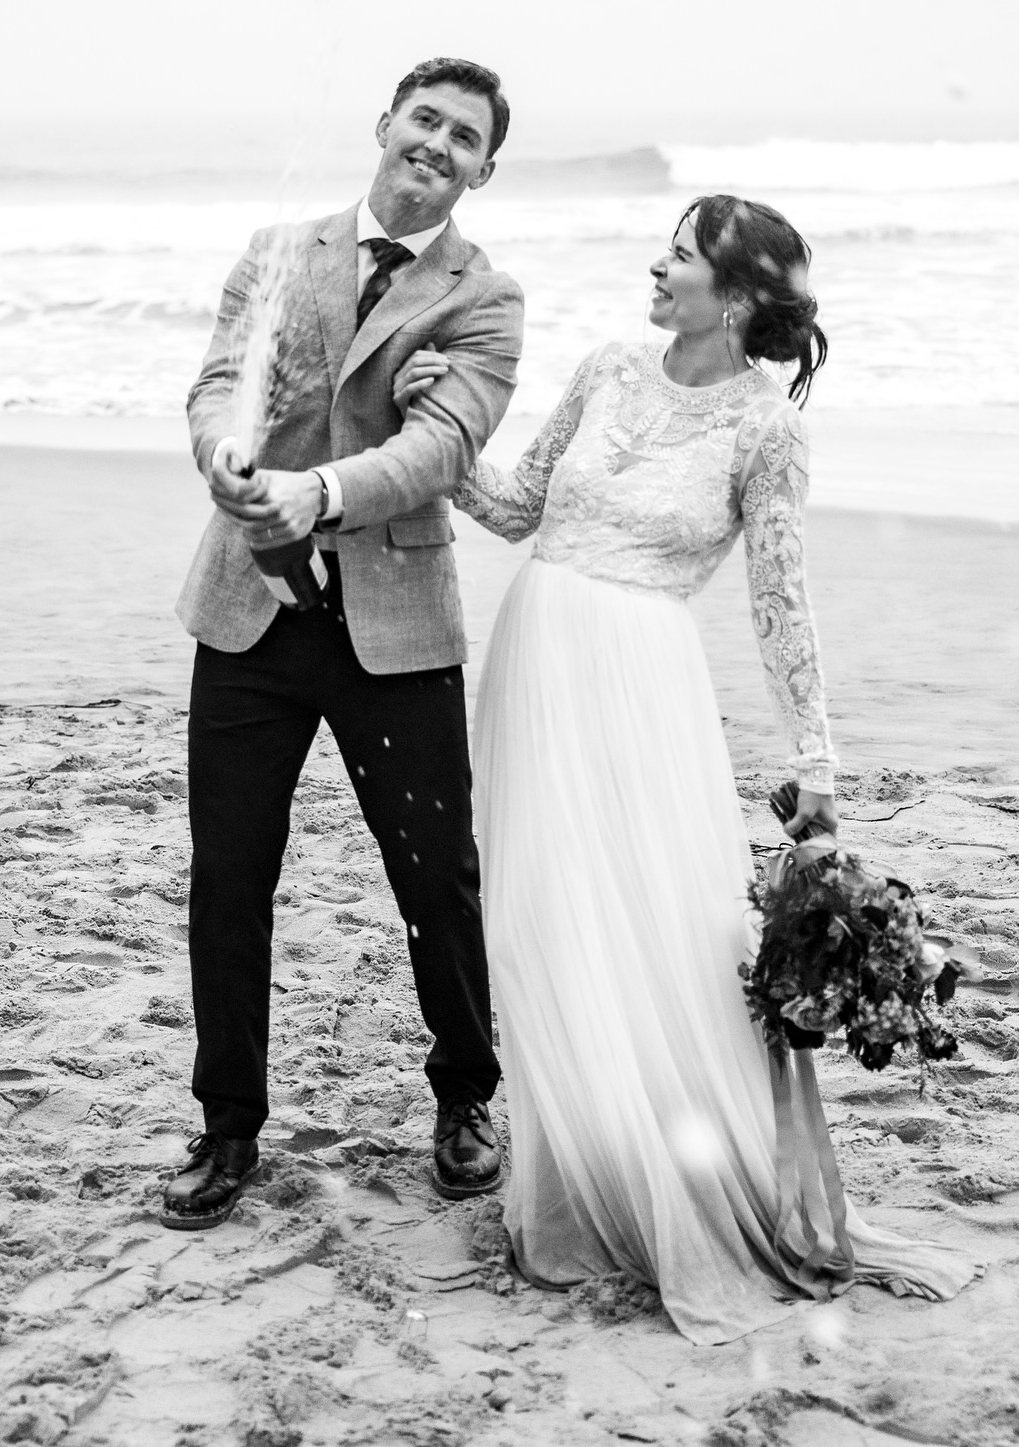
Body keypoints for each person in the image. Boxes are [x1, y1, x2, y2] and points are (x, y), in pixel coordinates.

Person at [394, 194, 977, 1342]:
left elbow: (779, 598)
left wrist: (816, 756)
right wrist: (444, 445)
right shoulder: (610, 368)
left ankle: (684, 1187)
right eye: (665, 249)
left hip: (642, 680)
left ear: (744, 294)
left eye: (682, 256)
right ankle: (581, 1170)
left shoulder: (767, 431)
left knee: (658, 928)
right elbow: (516, 510)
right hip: (537, 660)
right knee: (542, 922)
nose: (657, 268)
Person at [163, 58, 524, 1229]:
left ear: (481, 168)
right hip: (249, 612)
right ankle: (227, 1127)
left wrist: (313, 493)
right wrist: (223, 456)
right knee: (229, 882)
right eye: (425, 119)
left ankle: (466, 1094)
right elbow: (222, 385)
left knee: (438, 878)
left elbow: (439, 451)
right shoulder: (278, 250)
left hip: (396, 626)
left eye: (463, 137)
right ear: (385, 125)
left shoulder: (487, 298)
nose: (437, 143)